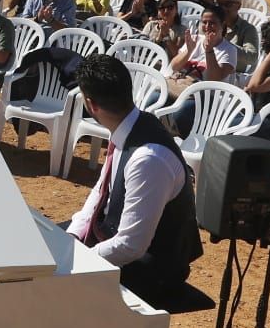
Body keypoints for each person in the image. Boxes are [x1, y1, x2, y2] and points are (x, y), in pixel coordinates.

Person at [66, 55, 200, 297]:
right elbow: (101, 190)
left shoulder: (148, 159)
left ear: (90, 104)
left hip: (151, 268)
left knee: (55, 287)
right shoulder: (127, 126)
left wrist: (79, 260)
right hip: (113, 238)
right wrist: (74, 235)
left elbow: (131, 246)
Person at [168, 9, 239, 98]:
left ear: (223, 25)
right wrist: (189, 51)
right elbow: (174, 66)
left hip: (204, 97)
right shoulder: (194, 39)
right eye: (204, 22)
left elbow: (214, 79)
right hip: (179, 86)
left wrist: (209, 51)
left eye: (212, 23)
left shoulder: (229, 50)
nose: (207, 26)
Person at [213, 0, 261, 73]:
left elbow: (252, 58)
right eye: (219, 5)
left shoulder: (248, 29)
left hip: (232, 75)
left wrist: (224, 44)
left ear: (238, 6)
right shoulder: (211, 24)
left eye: (228, 4)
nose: (223, 8)